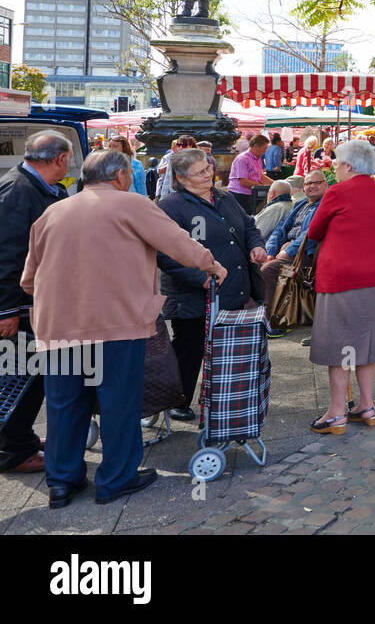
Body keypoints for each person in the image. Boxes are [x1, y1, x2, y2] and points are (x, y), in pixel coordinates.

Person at [22, 148, 226, 507]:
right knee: (118, 402)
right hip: (115, 325)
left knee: (64, 405)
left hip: (58, 327)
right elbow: (179, 243)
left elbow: (28, 280)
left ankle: (61, 482)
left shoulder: (52, 212)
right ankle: (116, 479)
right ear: (119, 176)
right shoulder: (132, 204)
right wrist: (211, 265)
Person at [157, 148, 268, 420]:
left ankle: (225, 397)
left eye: (208, 168)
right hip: (194, 296)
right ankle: (177, 399)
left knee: (229, 349)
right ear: (181, 179)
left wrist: (256, 246)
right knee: (189, 349)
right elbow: (165, 253)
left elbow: (249, 226)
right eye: (199, 173)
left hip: (234, 290)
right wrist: (200, 278)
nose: (209, 175)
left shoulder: (225, 197)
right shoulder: (170, 207)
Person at [305, 140, 375, 433]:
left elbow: (314, 231)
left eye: (336, 165)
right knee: (366, 343)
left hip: (344, 278)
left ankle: (336, 413)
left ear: (347, 166)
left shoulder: (338, 192)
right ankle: (366, 406)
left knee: (342, 345)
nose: (334, 170)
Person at [0, 132, 73, 476]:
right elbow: (7, 256)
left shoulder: (32, 187)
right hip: (22, 305)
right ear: (59, 159)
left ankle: (19, 436)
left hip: (35, 301)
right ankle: (14, 448)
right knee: (21, 376)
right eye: (68, 159)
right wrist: (6, 310)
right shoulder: (19, 190)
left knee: (30, 374)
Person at [262, 171, 329, 288]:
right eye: (308, 183)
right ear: (304, 187)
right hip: (286, 250)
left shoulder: (326, 205)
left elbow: (311, 233)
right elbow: (280, 229)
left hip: (305, 255)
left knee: (269, 269)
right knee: (254, 262)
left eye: (317, 183)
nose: (312, 186)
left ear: (326, 185)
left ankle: (270, 306)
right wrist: (270, 252)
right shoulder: (300, 204)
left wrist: (288, 251)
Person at [228, 134, 274, 213]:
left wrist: (275, 183)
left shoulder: (258, 158)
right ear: (256, 146)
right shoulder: (242, 159)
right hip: (239, 194)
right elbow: (243, 181)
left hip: (251, 193)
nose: (265, 150)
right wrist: (261, 186)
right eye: (264, 148)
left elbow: (260, 176)